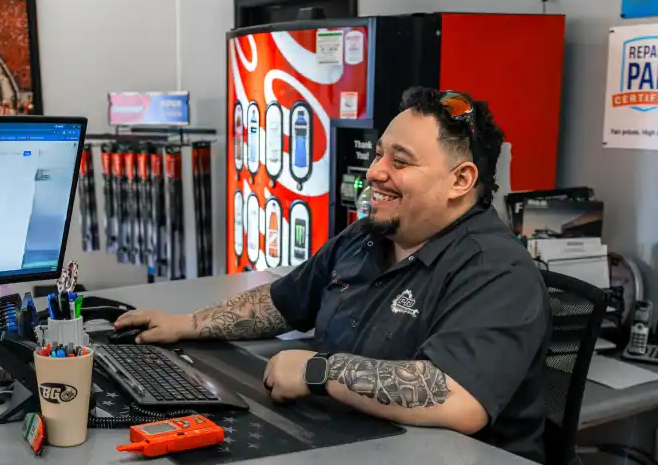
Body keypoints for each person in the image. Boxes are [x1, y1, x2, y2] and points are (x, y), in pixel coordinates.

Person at [115, 87, 551, 463]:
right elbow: (282, 301)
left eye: (400, 161)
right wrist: (186, 324)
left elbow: (455, 397)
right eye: (379, 154)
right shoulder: (367, 236)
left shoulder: (497, 269)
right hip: (352, 442)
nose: (375, 171)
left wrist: (318, 371)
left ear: (461, 180)